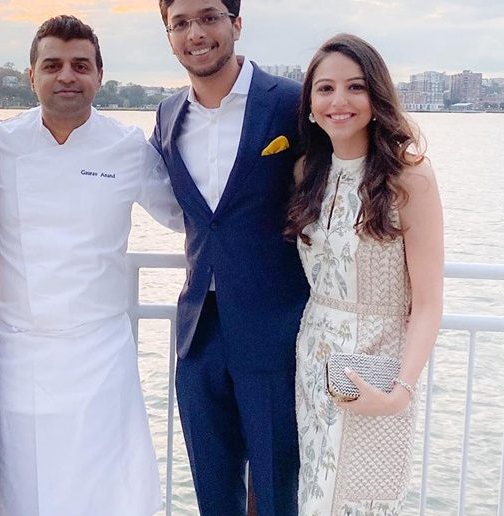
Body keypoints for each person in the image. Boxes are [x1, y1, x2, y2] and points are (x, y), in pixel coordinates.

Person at [0, 14, 184, 516]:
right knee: (21, 487)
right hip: (20, 350)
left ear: (99, 76)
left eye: (80, 65)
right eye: (53, 65)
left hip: (100, 350)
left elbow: (184, 216)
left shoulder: (127, 146)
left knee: (107, 488)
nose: (66, 76)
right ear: (31, 75)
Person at [149, 1, 309, 514]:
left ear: (236, 24)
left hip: (275, 330)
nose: (195, 33)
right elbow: (190, 212)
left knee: (278, 490)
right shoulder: (167, 114)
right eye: (180, 23)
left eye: (209, 17)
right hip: (199, 334)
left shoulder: (291, 103)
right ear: (169, 36)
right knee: (213, 492)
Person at [285, 33, 443, 513]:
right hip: (315, 363)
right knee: (316, 496)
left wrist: (400, 392)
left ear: (376, 97)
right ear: (310, 105)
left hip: (379, 369)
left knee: (365, 502)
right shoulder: (306, 172)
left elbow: (428, 302)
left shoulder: (409, 177)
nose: (339, 101)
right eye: (325, 88)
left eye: (355, 87)